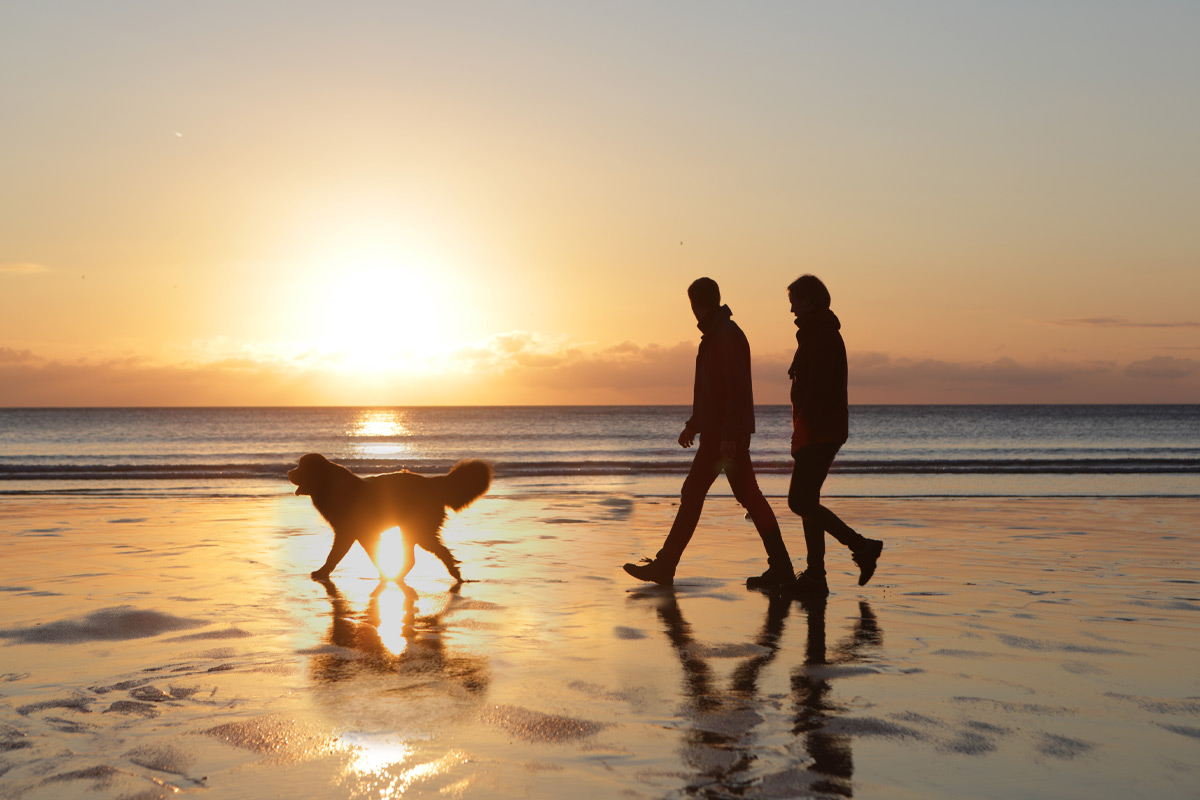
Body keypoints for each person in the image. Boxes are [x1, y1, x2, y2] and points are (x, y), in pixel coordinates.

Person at [624, 278, 794, 588]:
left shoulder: (726, 336)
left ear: (700, 304)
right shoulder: (715, 336)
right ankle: (779, 564)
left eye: (693, 306)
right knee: (735, 495)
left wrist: (729, 435)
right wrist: (694, 424)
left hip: (725, 436)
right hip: (719, 433)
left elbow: (736, 390)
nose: (692, 312)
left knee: (716, 494)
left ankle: (667, 565)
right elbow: (710, 392)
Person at [785, 275, 883, 593]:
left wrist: (804, 431)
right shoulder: (815, 334)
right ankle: (816, 575)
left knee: (800, 501)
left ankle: (861, 547)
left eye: (795, 302)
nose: (791, 309)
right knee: (807, 501)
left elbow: (818, 392)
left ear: (810, 301)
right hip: (819, 429)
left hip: (821, 431)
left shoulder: (823, 337)